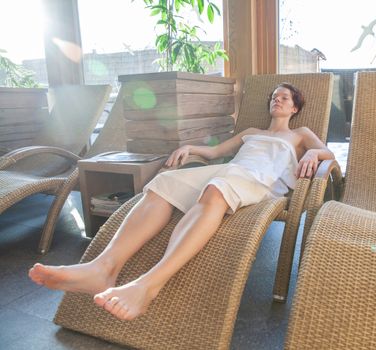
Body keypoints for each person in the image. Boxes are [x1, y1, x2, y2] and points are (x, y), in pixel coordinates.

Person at [28, 83, 335, 321]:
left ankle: (148, 285)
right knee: (162, 184)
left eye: (284, 98)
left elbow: (329, 156)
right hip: (228, 171)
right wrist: (190, 147)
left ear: (295, 107)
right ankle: (102, 268)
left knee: (214, 190)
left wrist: (313, 151)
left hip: (260, 181)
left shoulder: (300, 134)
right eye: (274, 97)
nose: (277, 100)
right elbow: (214, 153)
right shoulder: (251, 132)